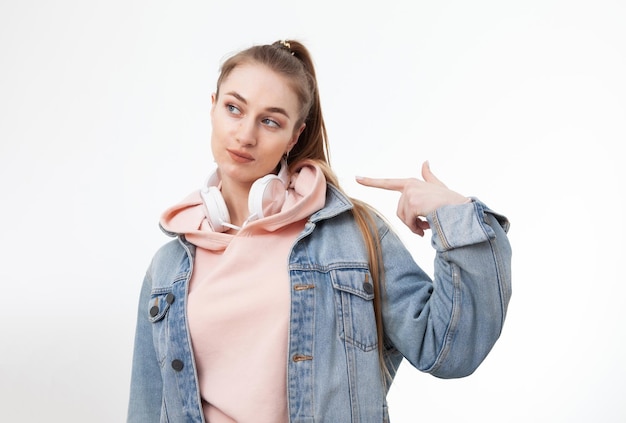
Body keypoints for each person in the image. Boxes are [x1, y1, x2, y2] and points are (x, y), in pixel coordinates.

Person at [127, 39, 512, 423]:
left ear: (294, 136)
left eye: (270, 121)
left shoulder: (353, 237)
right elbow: (145, 410)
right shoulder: (168, 269)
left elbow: (448, 350)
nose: (245, 135)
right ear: (212, 107)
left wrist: (456, 216)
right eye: (233, 108)